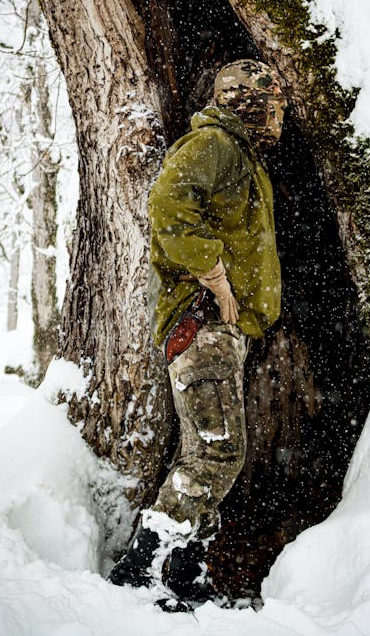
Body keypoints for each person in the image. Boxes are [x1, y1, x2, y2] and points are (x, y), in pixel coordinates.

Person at [108, 59, 287, 604]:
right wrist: (215, 279)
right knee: (215, 454)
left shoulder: (239, 154)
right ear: (248, 103)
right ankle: (141, 572)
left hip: (220, 332)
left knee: (211, 452)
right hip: (202, 325)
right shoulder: (216, 145)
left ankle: (182, 572)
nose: (279, 116)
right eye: (272, 104)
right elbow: (166, 203)